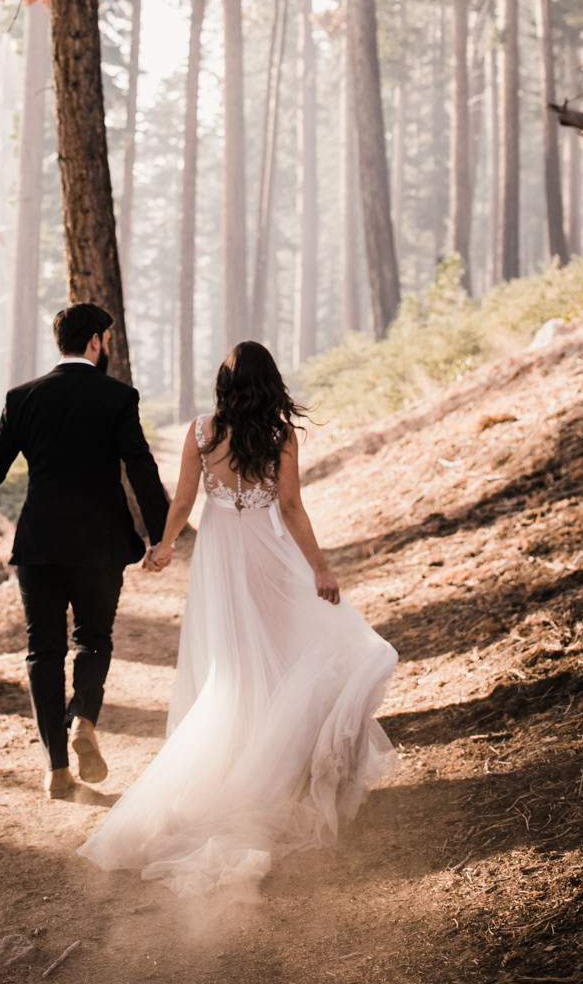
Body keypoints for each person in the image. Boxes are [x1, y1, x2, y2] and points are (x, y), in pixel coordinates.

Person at [78, 340, 398, 893]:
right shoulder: (279, 435)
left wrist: (165, 546)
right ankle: (277, 774)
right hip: (269, 557)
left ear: (225, 384)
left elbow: (181, 503)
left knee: (233, 663)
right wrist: (320, 568)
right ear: (269, 382)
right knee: (285, 653)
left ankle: (239, 768)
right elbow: (292, 508)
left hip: (222, 560)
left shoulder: (202, 432)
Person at [0, 302, 169, 802]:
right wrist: (161, 534)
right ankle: (84, 720)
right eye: (106, 340)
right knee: (94, 639)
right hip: (100, 542)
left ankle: (55, 768)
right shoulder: (117, 395)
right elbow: (139, 465)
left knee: (43, 651)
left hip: (41, 543)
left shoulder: (23, 397)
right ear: (95, 341)